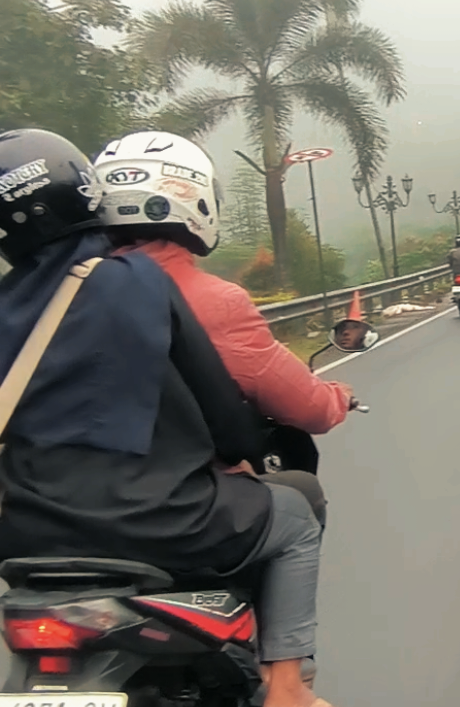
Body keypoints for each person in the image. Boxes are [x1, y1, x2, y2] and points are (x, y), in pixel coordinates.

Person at [0, 129, 342, 707]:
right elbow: (222, 411)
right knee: (293, 518)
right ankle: (287, 690)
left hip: (23, 525)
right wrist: (241, 454)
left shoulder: (9, 303)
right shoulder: (137, 281)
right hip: (156, 517)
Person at [93, 132, 354, 532]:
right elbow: (308, 408)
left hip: (64, 501)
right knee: (301, 507)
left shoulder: (62, 294)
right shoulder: (217, 301)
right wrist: (337, 397)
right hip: (177, 504)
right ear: (195, 199)